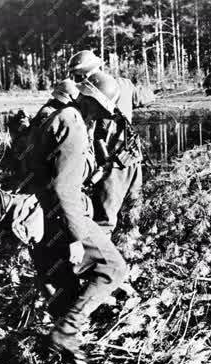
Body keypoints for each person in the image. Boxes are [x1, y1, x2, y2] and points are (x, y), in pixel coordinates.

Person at [20, 71, 128, 364]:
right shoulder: (73, 123)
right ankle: (67, 333)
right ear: (90, 101)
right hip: (60, 218)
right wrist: (76, 238)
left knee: (64, 288)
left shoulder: (52, 115)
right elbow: (63, 187)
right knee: (114, 268)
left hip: (39, 218)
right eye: (99, 109)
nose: (99, 116)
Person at [68, 50, 143, 236]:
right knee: (133, 209)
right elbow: (143, 96)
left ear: (84, 74)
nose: (77, 81)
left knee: (104, 220)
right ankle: (132, 246)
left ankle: (102, 259)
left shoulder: (89, 94)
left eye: (77, 76)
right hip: (132, 157)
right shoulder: (124, 84)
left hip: (113, 164)